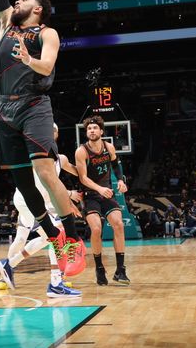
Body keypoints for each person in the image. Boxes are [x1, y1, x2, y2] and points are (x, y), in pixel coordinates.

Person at [0, 0, 86, 276]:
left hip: (34, 105)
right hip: (5, 109)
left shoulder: (48, 33)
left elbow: (47, 67)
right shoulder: (6, 25)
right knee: (23, 183)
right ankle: (52, 236)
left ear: (38, 8)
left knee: (46, 171)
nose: (18, 0)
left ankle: (73, 240)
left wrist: (29, 59)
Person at [0, 123, 81, 297]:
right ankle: (56, 283)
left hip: (39, 202)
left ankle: (10, 265)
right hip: (28, 200)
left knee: (50, 238)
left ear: (56, 134)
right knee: (54, 235)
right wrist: (69, 196)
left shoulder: (60, 158)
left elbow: (77, 174)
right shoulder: (36, 153)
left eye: (51, 130)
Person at [75, 115, 129, 286]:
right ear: (87, 133)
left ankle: (120, 270)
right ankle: (99, 268)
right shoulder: (81, 151)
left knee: (119, 225)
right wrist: (99, 189)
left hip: (106, 194)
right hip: (91, 195)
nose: (91, 130)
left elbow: (115, 165)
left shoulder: (109, 147)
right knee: (96, 229)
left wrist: (120, 180)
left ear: (101, 131)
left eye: (94, 128)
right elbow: (82, 178)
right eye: (89, 129)